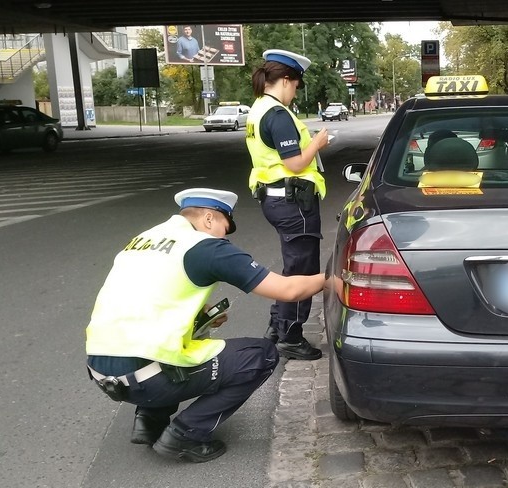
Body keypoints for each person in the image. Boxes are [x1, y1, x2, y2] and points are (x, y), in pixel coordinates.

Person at [85, 188, 324, 463]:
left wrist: (201, 315)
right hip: (147, 376)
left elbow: (148, 297)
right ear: (209, 218)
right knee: (261, 355)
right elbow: (288, 290)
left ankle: (149, 420)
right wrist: (329, 279)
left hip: (102, 371)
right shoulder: (204, 246)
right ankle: (185, 435)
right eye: (225, 226)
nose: (224, 235)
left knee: (174, 343)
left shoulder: (144, 239)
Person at [245, 49, 329, 360]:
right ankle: (291, 336)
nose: (295, 93)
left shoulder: (258, 109)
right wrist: (317, 144)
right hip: (294, 203)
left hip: (276, 199)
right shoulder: (277, 115)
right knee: (302, 272)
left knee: (293, 265)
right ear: (286, 80)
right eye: (295, 86)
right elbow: (294, 164)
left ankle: (276, 325)